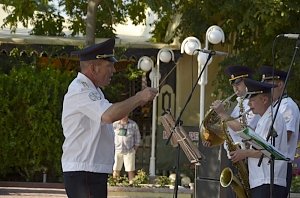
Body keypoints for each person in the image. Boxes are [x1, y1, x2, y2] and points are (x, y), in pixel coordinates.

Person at [61, 38, 158, 198]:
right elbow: (108, 115)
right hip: (85, 171)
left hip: (89, 170)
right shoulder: (81, 90)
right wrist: (139, 97)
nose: (113, 70)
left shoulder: (94, 90)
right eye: (109, 65)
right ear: (94, 67)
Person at [205, 65, 260, 198]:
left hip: (250, 160)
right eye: (233, 84)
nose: (235, 88)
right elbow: (230, 132)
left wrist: (223, 114)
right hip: (236, 158)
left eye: (238, 83)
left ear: (247, 82)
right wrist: (212, 138)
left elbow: (245, 130)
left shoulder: (255, 103)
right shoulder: (237, 106)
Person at [230, 78, 288, 198]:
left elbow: (268, 151)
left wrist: (244, 153)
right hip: (261, 181)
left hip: (268, 181)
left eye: (253, 100)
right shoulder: (263, 120)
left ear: (265, 99)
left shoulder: (273, 118)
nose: (249, 104)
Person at [259, 65, 300, 197]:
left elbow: (283, 138)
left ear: (280, 84)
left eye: (269, 84)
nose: (266, 88)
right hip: (269, 166)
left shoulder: (287, 106)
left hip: (280, 167)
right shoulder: (275, 106)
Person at [112, 115, 141, 182]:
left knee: (130, 170)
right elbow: (110, 136)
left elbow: (138, 137)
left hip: (129, 150)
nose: (124, 116)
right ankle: (115, 184)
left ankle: (132, 184)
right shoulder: (115, 124)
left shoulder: (133, 124)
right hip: (117, 150)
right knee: (116, 169)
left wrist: (134, 149)